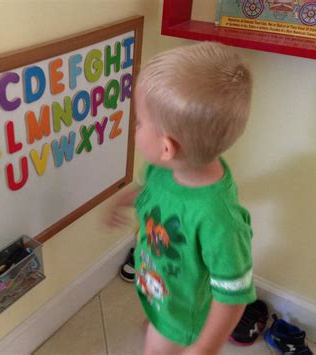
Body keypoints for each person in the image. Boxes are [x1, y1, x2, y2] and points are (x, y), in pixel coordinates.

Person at [106, 41, 256, 355]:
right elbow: (152, 191)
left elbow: (234, 294)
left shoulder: (219, 219)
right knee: (160, 324)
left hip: (185, 315)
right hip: (161, 289)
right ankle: (162, 322)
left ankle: (171, 333)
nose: (135, 127)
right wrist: (124, 200)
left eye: (139, 122)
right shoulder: (165, 169)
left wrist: (205, 346)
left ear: (167, 147)